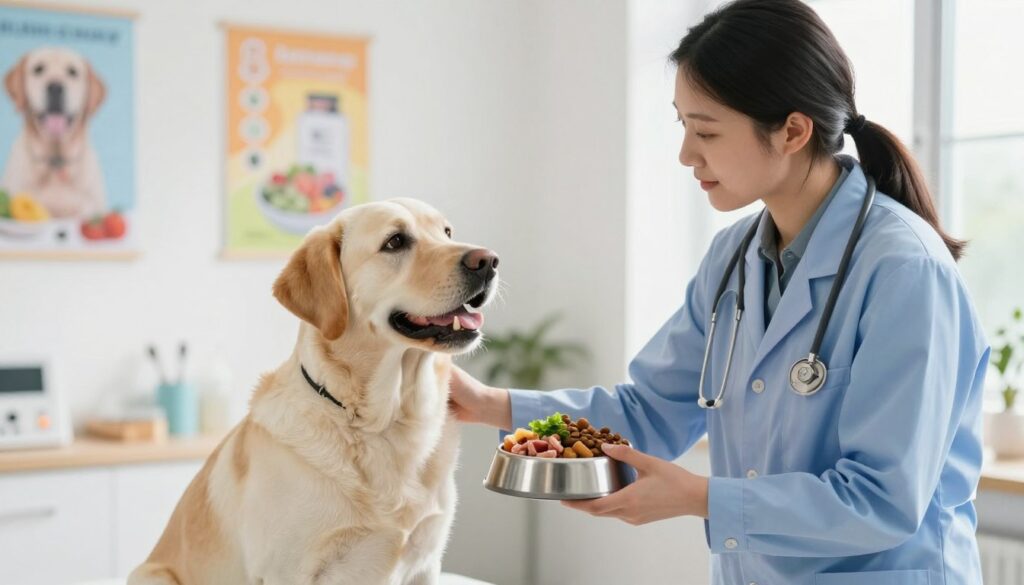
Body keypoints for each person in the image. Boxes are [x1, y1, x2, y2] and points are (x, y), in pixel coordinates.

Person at [448, 1, 990, 583]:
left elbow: (883, 500)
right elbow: (649, 411)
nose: (686, 154)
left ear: (793, 130)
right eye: (683, 125)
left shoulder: (904, 269)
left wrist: (702, 497)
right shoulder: (733, 259)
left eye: (706, 131)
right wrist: (491, 405)